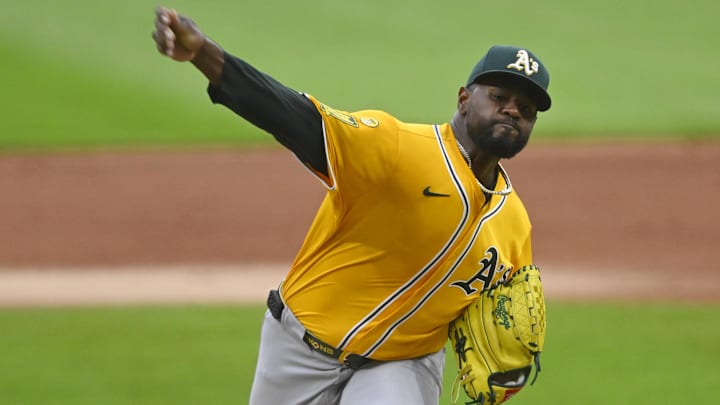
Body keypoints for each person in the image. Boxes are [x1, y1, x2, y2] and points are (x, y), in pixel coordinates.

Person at [152, 6, 551, 404]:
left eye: (527, 109)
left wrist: (510, 370)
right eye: (500, 97)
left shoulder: (515, 225)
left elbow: (501, 316)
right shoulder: (397, 148)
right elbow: (292, 116)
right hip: (298, 350)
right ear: (464, 99)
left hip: (401, 366)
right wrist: (203, 53)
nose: (513, 110)